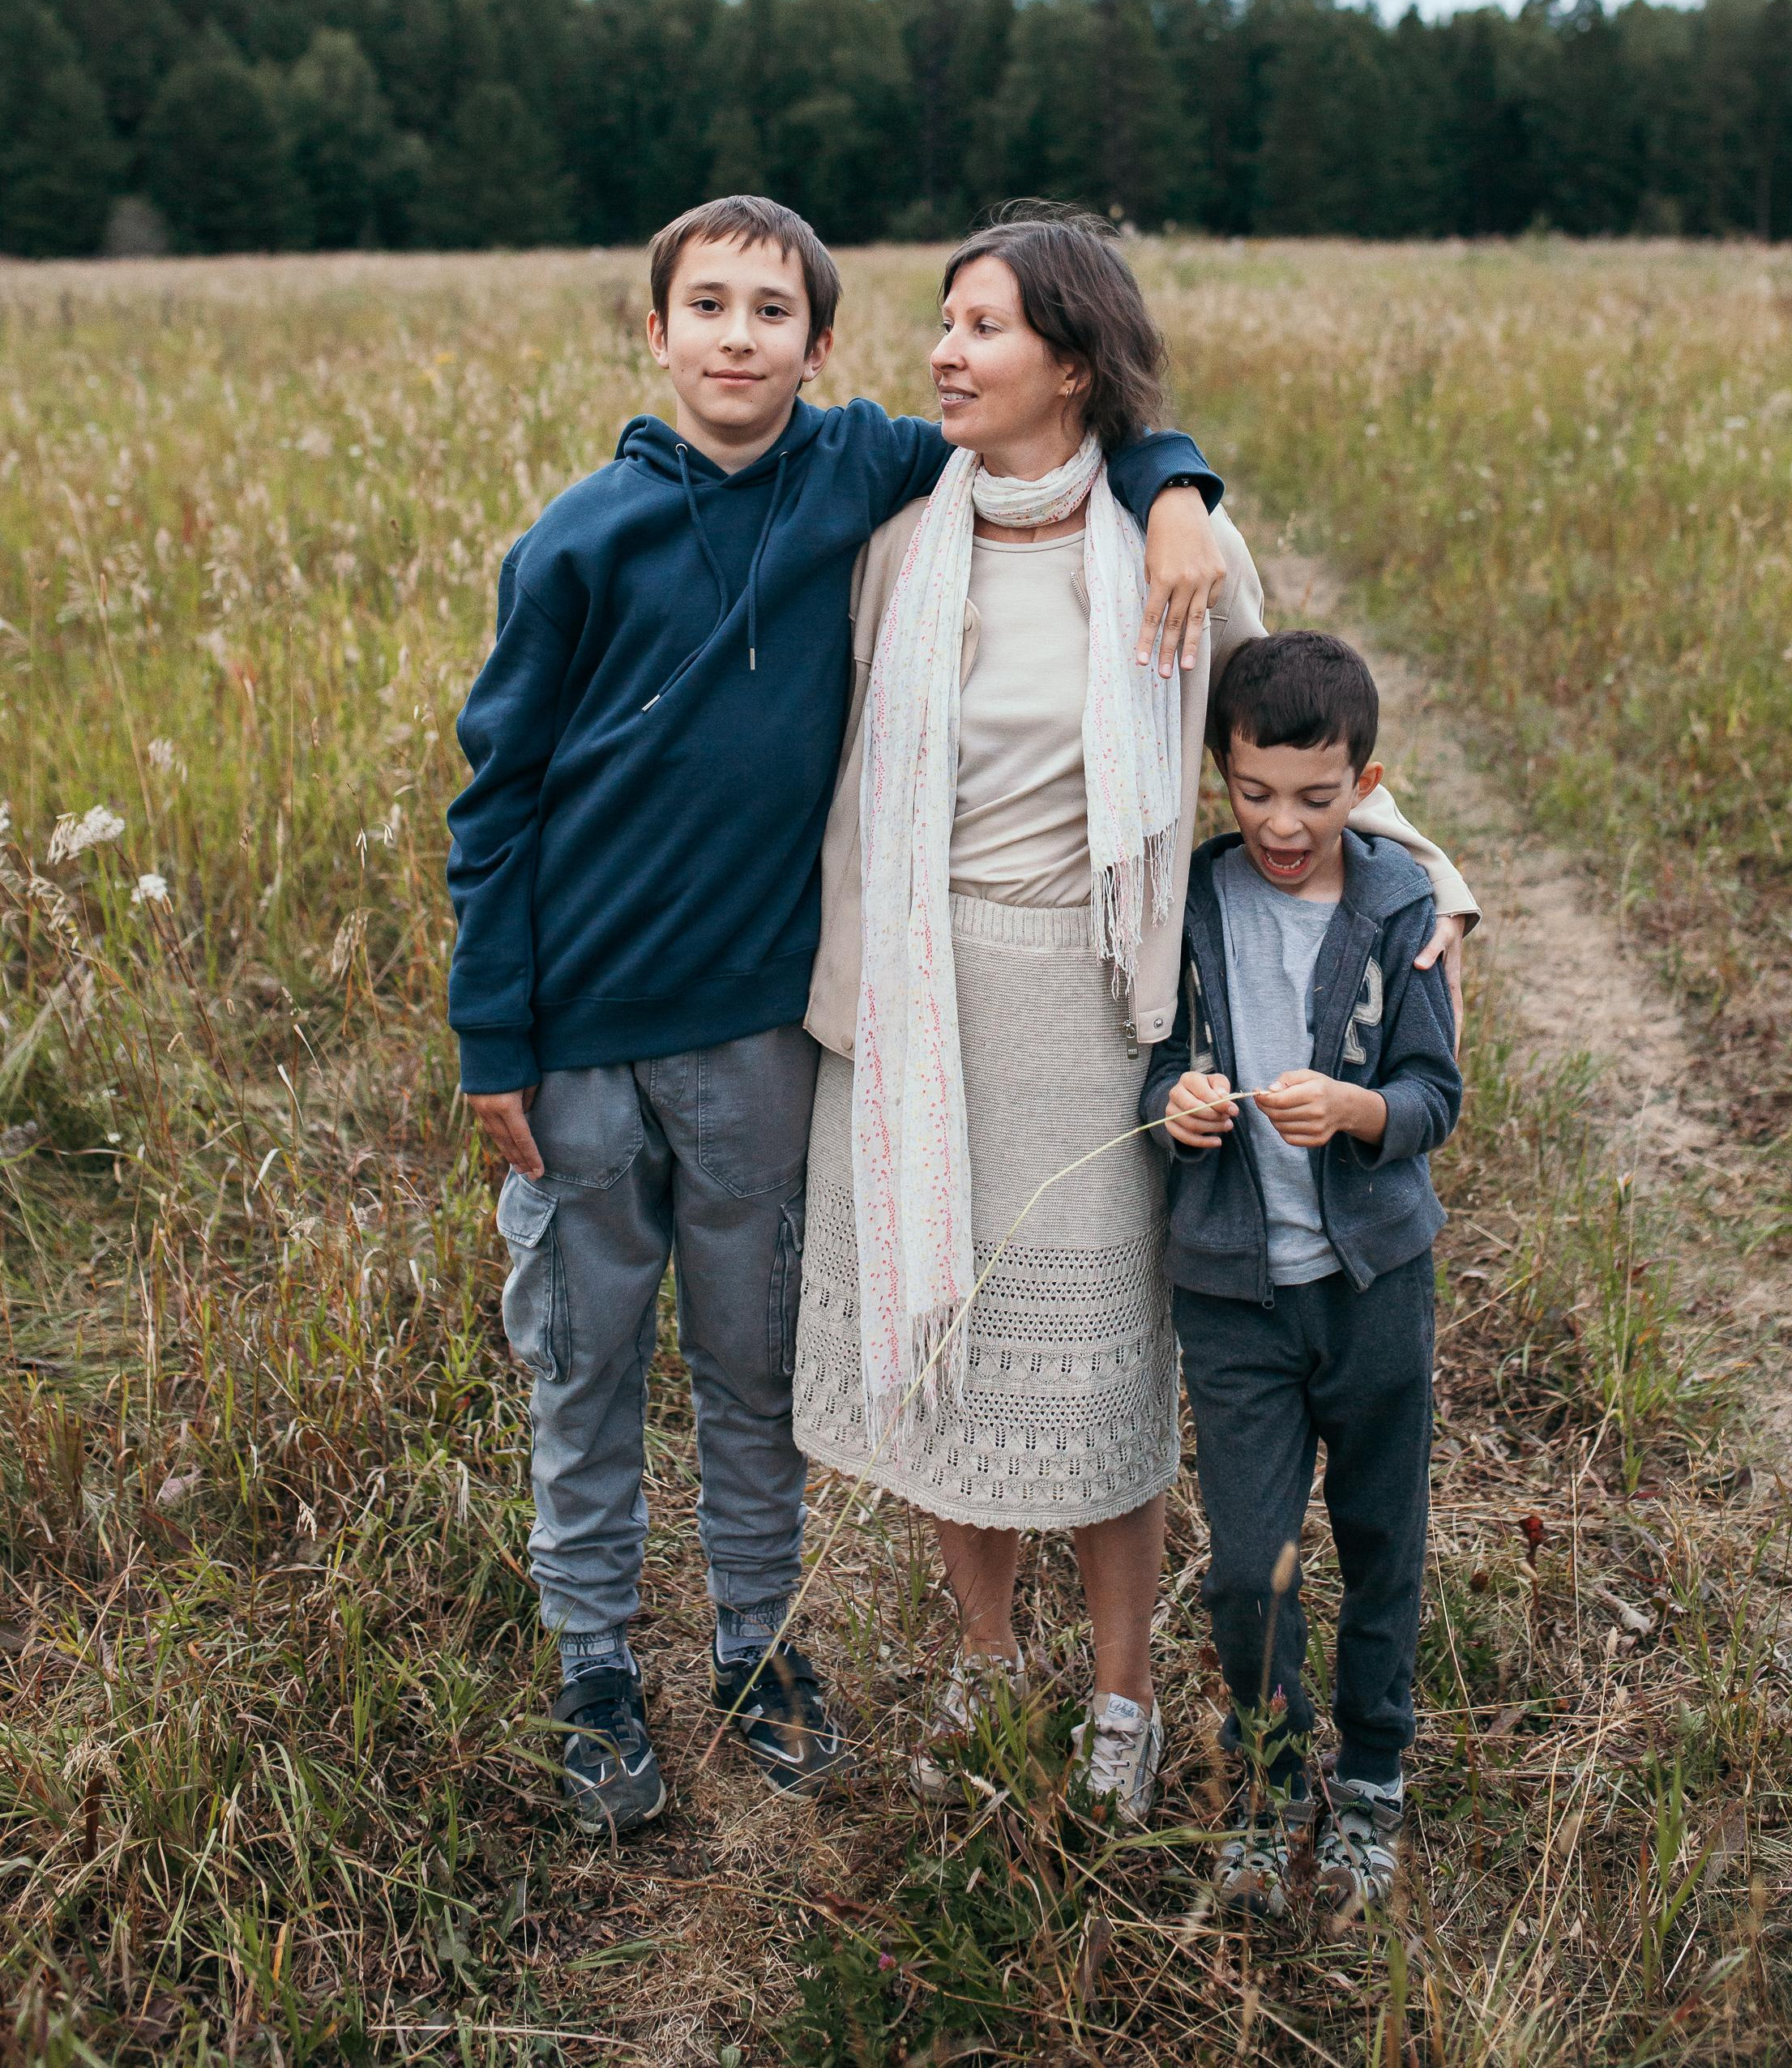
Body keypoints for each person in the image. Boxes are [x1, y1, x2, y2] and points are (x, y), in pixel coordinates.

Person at [446, 192, 1228, 1834]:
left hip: (888, 1019)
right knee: (625, 1367)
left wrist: (1175, 488)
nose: (738, 337)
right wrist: (490, 1032)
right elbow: (497, 791)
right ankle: (612, 1667)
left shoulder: (917, 488)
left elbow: (1120, 468)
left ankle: (804, 1656)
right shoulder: (683, 530)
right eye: (706, 307)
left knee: (841, 1368)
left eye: (773, 312)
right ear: (654, 332)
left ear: (818, 347)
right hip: (718, 1026)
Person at [793, 211, 1478, 1824]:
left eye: (981, 327)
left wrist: (1424, 865)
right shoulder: (904, 538)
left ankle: (1121, 1696)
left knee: (1099, 1384)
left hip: (1102, 1009)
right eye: (941, 323)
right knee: (945, 1355)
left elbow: (1284, 744)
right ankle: (980, 1654)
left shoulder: (1182, 546)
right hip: (918, 1004)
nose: (944, 353)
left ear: (1075, 362)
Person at [1144, 628, 1462, 1919]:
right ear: (1220, 773)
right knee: (1245, 1562)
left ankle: (1371, 1776)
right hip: (1233, 1293)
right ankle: (1269, 1779)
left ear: (1363, 783)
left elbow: (1435, 1094)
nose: (1282, 824)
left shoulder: (1396, 908)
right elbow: (1151, 1063)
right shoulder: (1192, 904)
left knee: (1380, 1537)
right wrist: (1179, 1103)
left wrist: (1357, 1109)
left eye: (1315, 799)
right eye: (1253, 791)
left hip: (1374, 1285)